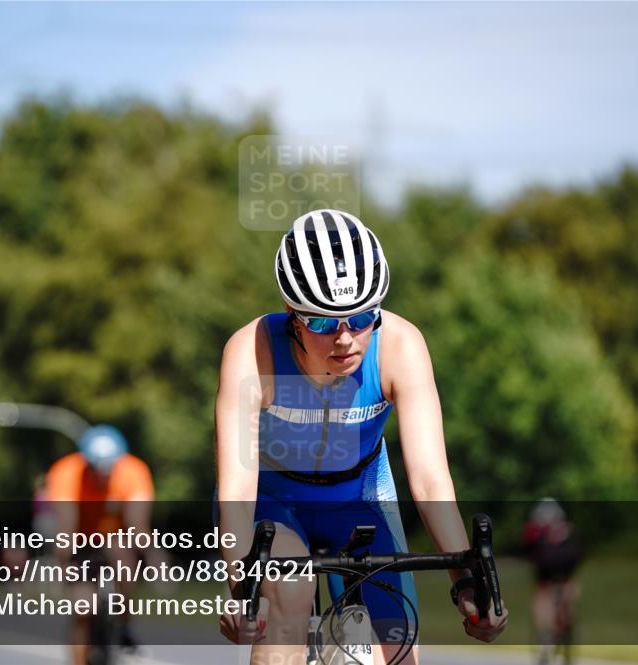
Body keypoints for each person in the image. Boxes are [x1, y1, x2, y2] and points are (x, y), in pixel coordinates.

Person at [215, 209, 508, 665]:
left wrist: (466, 582)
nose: (346, 338)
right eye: (324, 323)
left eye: (363, 317)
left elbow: (431, 481)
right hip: (274, 501)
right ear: (293, 314)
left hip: (361, 496)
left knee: (398, 646)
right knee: (288, 598)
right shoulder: (250, 352)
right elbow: (236, 487)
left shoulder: (401, 346)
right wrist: (241, 588)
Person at [45, 424, 156, 665]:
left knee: (123, 556)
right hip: (81, 540)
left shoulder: (134, 471)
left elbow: (137, 524)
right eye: (96, 467)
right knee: (83, 608)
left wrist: (153, 557)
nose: (103, 474)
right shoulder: (65, 472)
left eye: (109, 467)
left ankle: (124, 621)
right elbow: (66, 527)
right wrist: (64, 564)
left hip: (115, 537)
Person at [521, 498, 582, 665]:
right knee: (545, 595)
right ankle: (548, 635)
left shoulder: (560, 533)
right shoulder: (540, 533)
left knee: (559, 595)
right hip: (550, 575)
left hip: (560, 574)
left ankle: (553, 634)